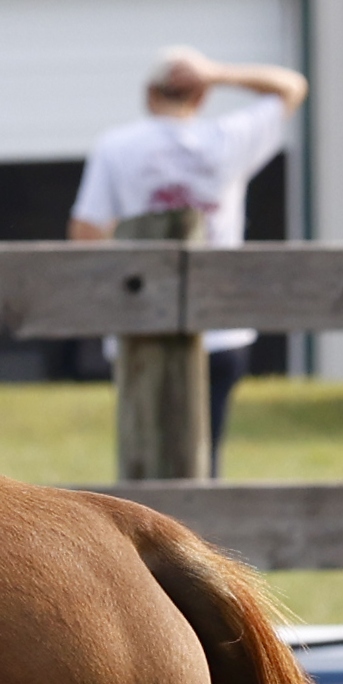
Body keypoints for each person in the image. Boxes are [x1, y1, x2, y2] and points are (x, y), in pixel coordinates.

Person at [69, 45, 309, 471]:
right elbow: (292, 87)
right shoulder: (227, 139)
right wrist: (217, 72)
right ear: (201, 96)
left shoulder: (116, 146)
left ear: (148, 94)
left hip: (138, 316)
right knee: (205, 455)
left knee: (144, 452)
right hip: (219, 324)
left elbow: (85, 234)